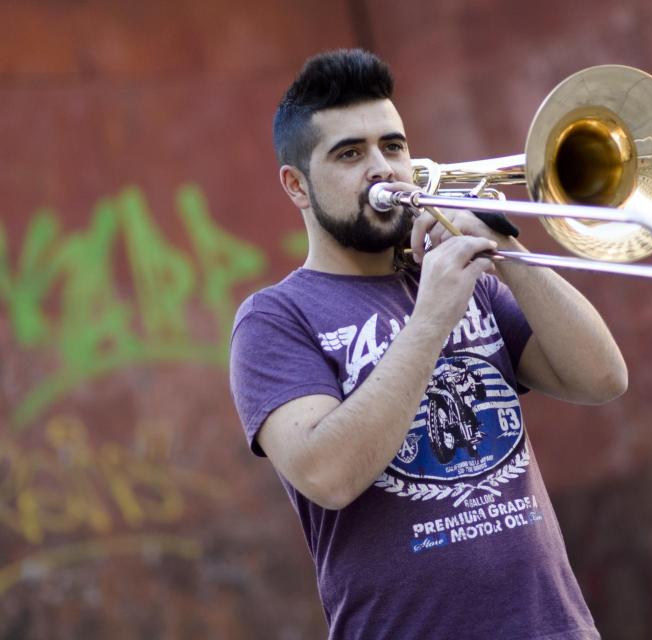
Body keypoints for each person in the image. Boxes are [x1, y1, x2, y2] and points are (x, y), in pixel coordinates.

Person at [229, 48, 627, 640]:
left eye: (393, 146)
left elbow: (601, 379)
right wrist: (433, 314)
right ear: (297, 186)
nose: (382, 169)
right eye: (349, 154)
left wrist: (508, 254)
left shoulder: (467, 278)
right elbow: (328, 474)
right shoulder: (274, 319)